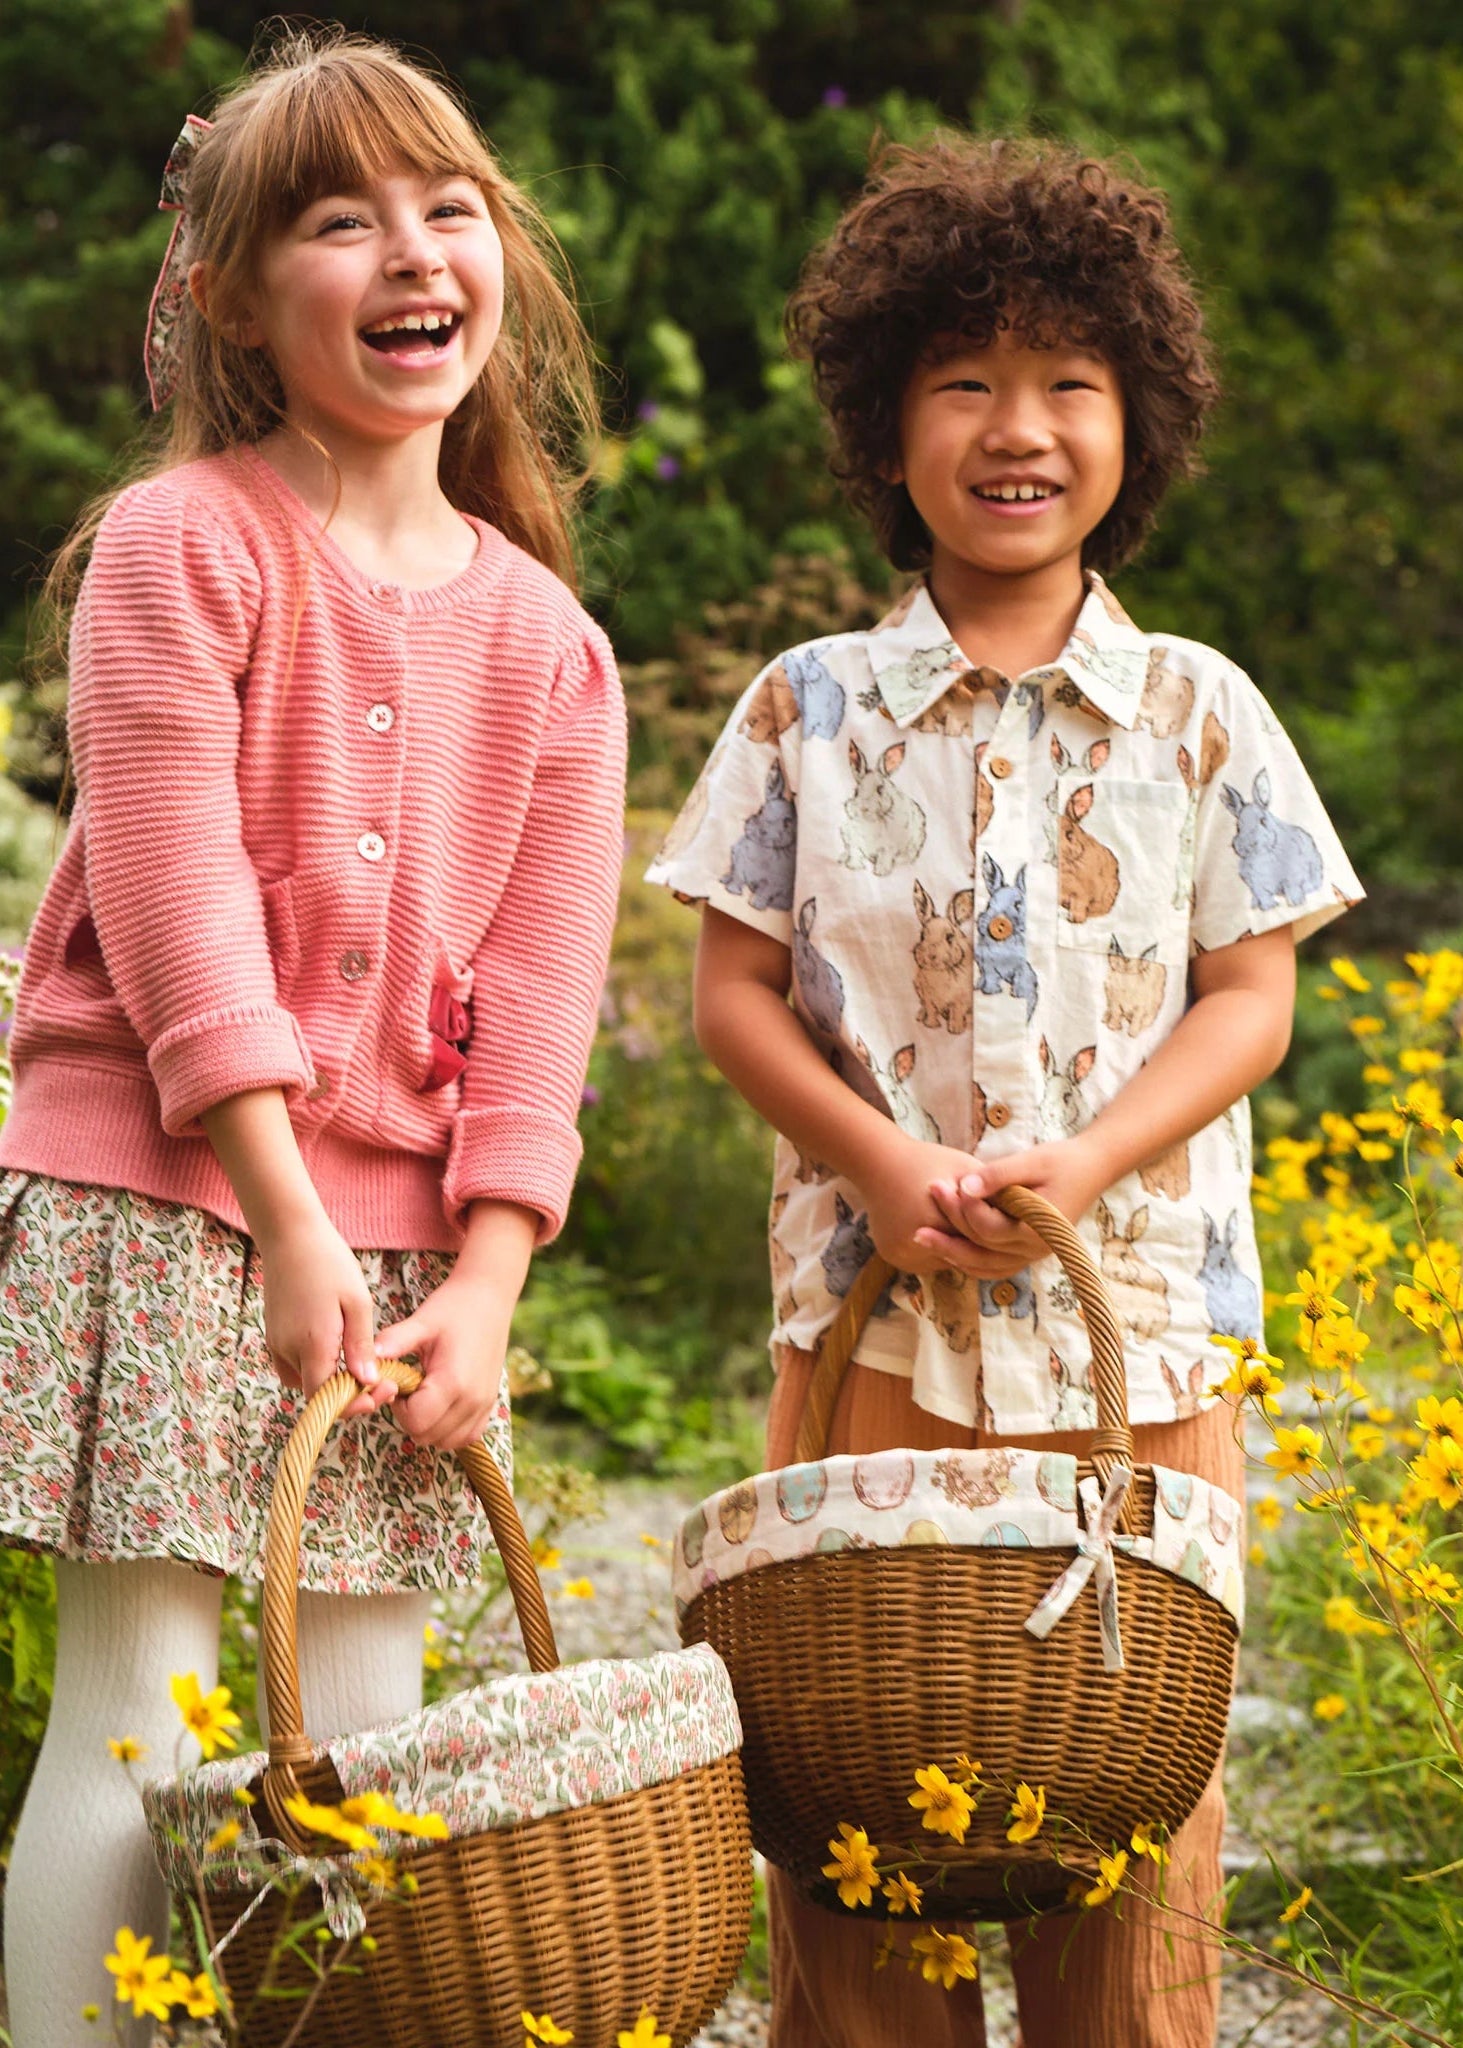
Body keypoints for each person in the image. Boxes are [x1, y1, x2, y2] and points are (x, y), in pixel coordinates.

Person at [648, 136, 1362, 2048]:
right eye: (962, 380)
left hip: (1140, 1352)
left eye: (1068, 381)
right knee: (856, 1826)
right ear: (888, 429)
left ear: (1140, 416)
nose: (1016, 427)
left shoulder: (1207, 710)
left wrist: (1081, 1160)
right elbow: (732, 997)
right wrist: (882, 1165)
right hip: (869, 1339)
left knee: (1134, 1863)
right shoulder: (801, 707)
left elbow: (1250, 1001)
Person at [0, 29, 624, 2046]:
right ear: (243, 301)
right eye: (337, 220)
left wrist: (495, 1285)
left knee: (365, 1740)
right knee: (142, 1710)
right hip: (176, 1203)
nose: (407, 249)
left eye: (444, 207)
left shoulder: (555, 644)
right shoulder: (186, 546)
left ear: (496, 260)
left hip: (422, 1257)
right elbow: (179, 914)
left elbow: (543, 999)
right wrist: (280, 1214)